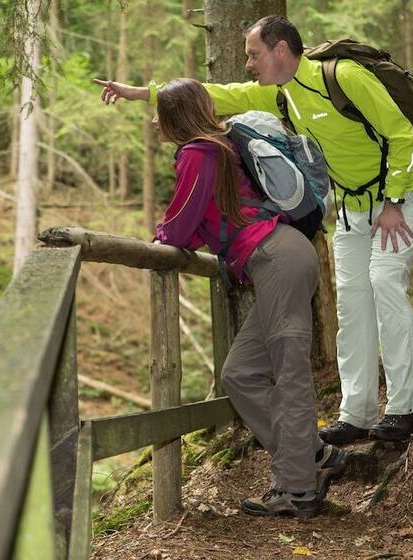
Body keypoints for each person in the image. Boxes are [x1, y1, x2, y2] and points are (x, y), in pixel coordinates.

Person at [95, 15, 413, 445]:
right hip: (351, 208)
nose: (249, 64)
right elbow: (220, 94)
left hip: (397, 199)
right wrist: (144, 93)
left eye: (254, 55)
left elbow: (400, 134)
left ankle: (406, 409)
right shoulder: (282, 94)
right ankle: (357, 414)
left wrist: (394, 202)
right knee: (352, 304)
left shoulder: (342, 76)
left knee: (384, 285)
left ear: (281, 50)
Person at [148, 78, 345, 519]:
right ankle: (314, 455)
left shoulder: (200, 152)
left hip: (277, 258)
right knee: (239, 373)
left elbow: (179, 226)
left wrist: (160, 237)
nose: (154, 122)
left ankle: (296, 488)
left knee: (290, 372)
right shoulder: (218, 150)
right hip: (281, 257)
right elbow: (204, 223)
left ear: (175, 115)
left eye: (159, 112)